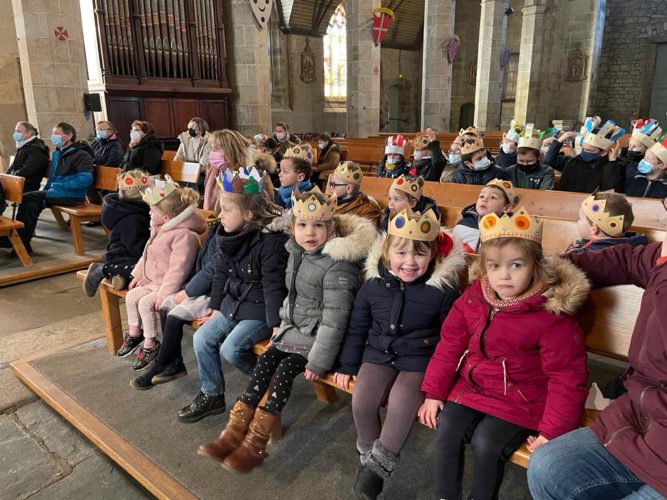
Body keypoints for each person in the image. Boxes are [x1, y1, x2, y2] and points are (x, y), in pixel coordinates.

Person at [197, 188, 376, 473]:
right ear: (293, 228)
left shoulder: (339, 267)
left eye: (318, 225)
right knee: (265, 362)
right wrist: (280, 327)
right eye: (303, 225)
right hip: (294, 332)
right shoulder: (297, 252)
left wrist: (318, 362)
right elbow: (291, 298)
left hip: (319, 341)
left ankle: (256, 442)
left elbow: (335, 320)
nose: (310, 232)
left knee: (281, 373)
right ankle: (233, 432)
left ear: (331, 228)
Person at [419, 208, 589, 500]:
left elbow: (566, 377)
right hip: (474, 385)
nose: (504, 276)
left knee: (487, 442)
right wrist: (434, 392)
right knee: (447, 427)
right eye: (494, 266)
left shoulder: (551, 314)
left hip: (522, 398)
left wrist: (552, 431)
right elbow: (449, 345)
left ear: (536, 266)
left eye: (516, 265)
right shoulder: (474, 296)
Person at [333, 209, 464, 499]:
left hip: (419, 360)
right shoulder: (374, 285)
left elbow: (450, 340)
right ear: (386, 251)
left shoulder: (442, 291)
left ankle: (377, 470)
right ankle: (369, 460)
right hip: (378, 354)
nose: (409, 262)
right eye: (401, 252)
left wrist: (437, 389)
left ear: (432, 255)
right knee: (362, 401)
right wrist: (347, 364)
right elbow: (357, 327)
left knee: (401, 403)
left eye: (419, 254)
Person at [528, 227, 667, 500]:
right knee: (548, 467)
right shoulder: (661, 257)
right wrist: (546, 269)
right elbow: (625, 260)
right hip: (638, 415)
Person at [115, 177, 206, 370]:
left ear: (166, 217)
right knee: (131, 296)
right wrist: (137, 275)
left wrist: (165, 293)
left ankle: (151, 344)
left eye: (152, 210)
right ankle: (134, 333)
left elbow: (178, 270)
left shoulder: (185, 236)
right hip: (152, 281)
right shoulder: (159, 229)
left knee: (146, 304)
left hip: (170, 286)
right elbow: (146, 255)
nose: (148, 212)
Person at [3, 122, 94, 253]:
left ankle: (20, 242)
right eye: (52, 133)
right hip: (57, 192)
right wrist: (48, 189)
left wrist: (58, 186)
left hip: (72, 195)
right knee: (31, 202)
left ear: (69, 136)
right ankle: (21, 244)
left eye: (57, 134)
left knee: (27, 198)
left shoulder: (81, 154)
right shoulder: (59, 152)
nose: (53, 136)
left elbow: (86, 179)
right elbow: (52, 178)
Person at [82, 170, 151, 296]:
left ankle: (120, 278)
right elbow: (136, 247)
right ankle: (101, 270)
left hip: (124, 254)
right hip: (122, 257)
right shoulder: (133, 218)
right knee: (145, 270)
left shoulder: (128, 210)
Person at [544, 117, 625, 193]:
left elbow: (611, 191)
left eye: (590, 150)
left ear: (603, 152)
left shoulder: (614, 166)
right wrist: (560, 140)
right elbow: (549, 160)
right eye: (584, 149)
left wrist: (612, 164)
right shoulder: (574, 163)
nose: (585, 152)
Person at [567, 192, 647, 254]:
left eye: (579, 218)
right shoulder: (633, 246)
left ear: (594, 228)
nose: (577, 221)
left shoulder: (587, 255)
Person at [453, 179, 518, 253]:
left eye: (493, 197)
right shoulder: (464, 224)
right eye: (481, 196)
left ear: (506, 208)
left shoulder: (511, 232)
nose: (484, 199)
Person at [203, 129, 251, 213]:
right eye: (212, 148)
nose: (212, 152)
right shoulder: (213, 171)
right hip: (212, 217)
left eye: (217, 148)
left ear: (232, 150)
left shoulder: (244, 176)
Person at [503, 125, 555, 190]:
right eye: (521, 161)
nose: (525, 164)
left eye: (530, 161)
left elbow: (544, 193)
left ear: (538, 157)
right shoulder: (509, 171)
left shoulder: (546, 171)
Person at [7, 121, 50, 194]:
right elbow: (14, 166)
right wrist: (5, 177)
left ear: (28, 133)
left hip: (27, 185)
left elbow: (28, 170)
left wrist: (10, 178)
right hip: (18, 182)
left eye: (18, 131)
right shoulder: (23, 146)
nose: (15, 134)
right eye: (15, 131)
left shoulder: (37, 149)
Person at [275, 144, 313, 209]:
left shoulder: (309, 199)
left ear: (300, 177)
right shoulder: (281, 191)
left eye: (285, 171)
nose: (279, 174)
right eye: (280, 170)